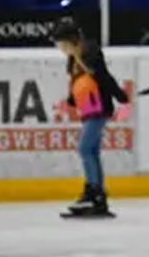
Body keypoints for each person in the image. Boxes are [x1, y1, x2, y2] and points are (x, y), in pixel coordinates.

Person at [52, 17, 128, 217]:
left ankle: (94, 192)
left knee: (85, 148)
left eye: (61, 42)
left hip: (99, 107)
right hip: (87, 108)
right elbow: (79, 82)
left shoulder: (90, 52)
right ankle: (97, 194)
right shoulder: (73, 59)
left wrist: (119, 95)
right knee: (91, 151)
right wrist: (71, 99)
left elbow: (103, 76)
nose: (60, 47)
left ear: (71, 39)